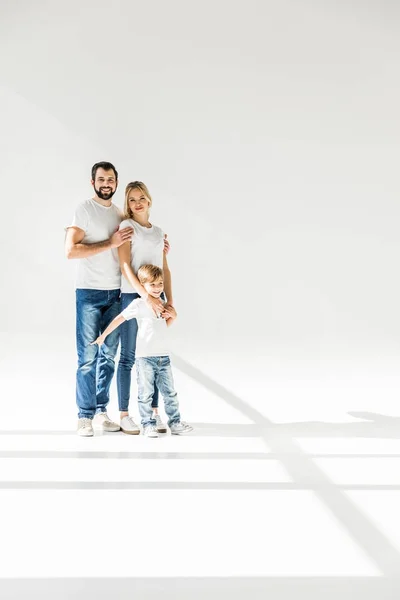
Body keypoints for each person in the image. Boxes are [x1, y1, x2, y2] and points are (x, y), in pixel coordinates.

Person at [65, 161, 134, 437]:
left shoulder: (119, 214)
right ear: (93, 182)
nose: (106, 184)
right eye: (101, 179)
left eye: (111, 180)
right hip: (89, 293)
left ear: (116, 183)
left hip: (115, 294)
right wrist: (110, 243)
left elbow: (131, 246)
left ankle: (101, 411)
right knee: (87, 357)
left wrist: (158, 244)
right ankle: (84, 416)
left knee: (109, 356)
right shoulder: (84, 210)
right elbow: (70, 251)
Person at [92, 265, 193, 437]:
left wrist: (173, 317)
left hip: (163, 357)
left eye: (160, 283)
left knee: (170, 393)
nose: (158, 288)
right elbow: (119, 319)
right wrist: (104, 336)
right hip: (145, 358)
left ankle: (175, 422)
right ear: (142, 285)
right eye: (152, 284)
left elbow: (162, 326)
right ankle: (148, 424)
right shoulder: (138, 304)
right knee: (145, 394)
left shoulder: (162, 304)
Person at [116, 181, 174, 435]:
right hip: (133, 296)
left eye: (141, 198)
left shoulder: (159, 232)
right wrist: (145, 297)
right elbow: (125, 265)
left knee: (153, 354)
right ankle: (125, 414)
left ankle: (153, 412)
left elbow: (165, 268)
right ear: (127, 205)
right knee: (129, 356)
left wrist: (168, 299)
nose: (137, 203)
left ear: (149, 200)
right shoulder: (127, 227)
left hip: (155, 295)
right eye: (131, 199)